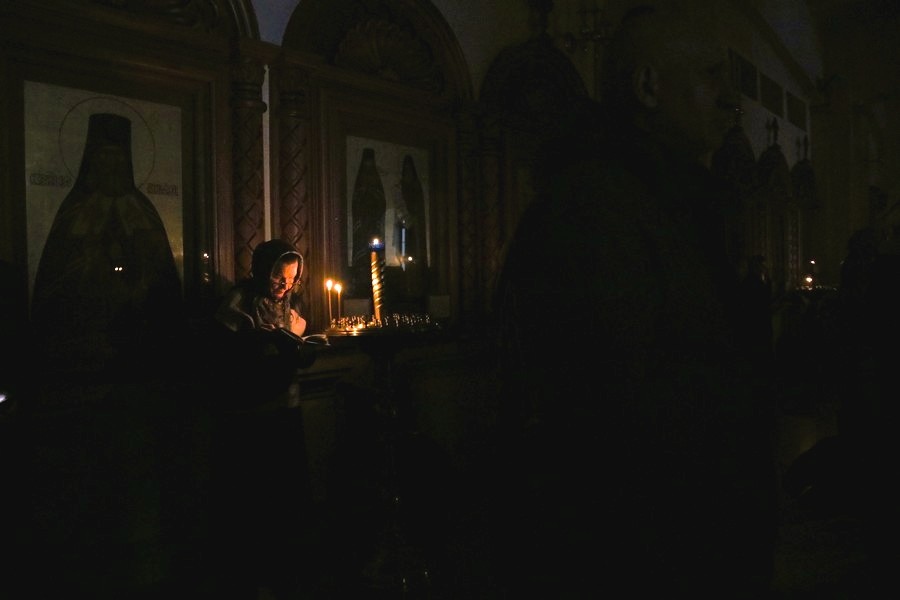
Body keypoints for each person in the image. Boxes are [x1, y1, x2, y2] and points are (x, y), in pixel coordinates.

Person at [492, 3, 777, 597]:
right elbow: (615, 419)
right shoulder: (597, 209)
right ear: (649, 86)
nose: (732, 99)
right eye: (711, 75)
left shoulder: (662, 201)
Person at [205, 238, 316, 598]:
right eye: (279, 277)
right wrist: (257, 345)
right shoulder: (238, 302)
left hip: (285, 411)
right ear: (261, 271)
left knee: (286, 497)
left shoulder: (292, 306)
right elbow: (222, 356)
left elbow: (296, 347)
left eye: (292, 278)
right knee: (252, 501)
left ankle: (285, 574)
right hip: (249, 418)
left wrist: (300, 352)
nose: (285, 285)